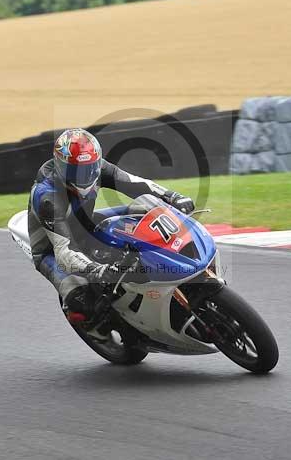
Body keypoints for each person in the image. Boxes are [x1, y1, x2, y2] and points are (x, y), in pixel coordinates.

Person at [28, 128, 195, 325]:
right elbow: (64, 251)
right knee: (82, 302)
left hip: (87, 227)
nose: (85, 176)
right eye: (76, 171)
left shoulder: (98, 169)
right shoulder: (47, 197)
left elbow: (136, 183)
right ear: (60, 166)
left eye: (89, 168)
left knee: (143, 211)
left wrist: (171, 196)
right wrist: (95, 269)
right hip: (52, 251)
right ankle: (110, 328)